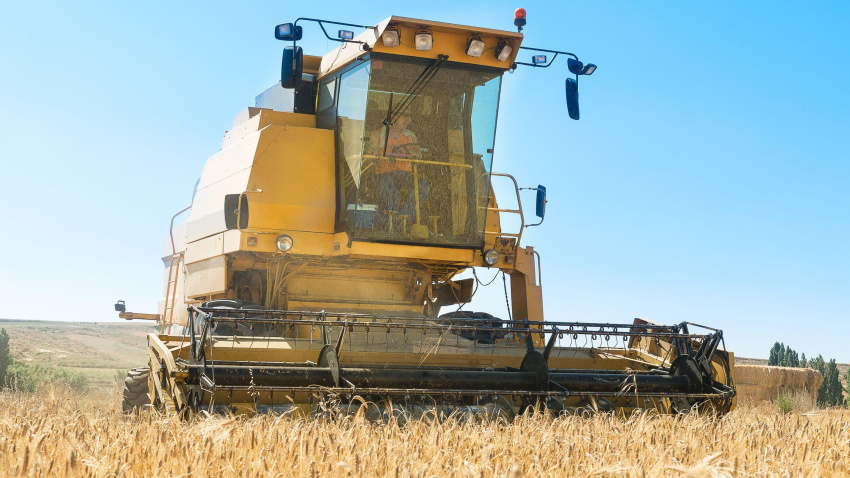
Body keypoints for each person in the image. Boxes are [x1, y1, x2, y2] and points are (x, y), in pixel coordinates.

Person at [371, 115, 430, 231]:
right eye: (404, 117)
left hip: (405, 175)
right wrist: (376, 154)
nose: (408, 121)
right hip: (382, 173)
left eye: (409, 118)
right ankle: (392, 222)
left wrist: (406, 152)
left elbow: (419, 155)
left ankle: (402, 219)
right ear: (393, 119)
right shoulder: (377, 135)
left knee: (423, 185)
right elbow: (368, 156)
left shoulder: (410, 136)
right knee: (388, 184)